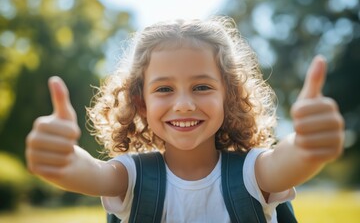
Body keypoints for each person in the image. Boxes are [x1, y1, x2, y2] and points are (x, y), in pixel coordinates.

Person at [25, 17, 344, 223]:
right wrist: (63, 161)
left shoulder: (251, 174)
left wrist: (306, 144)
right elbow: (92, 174)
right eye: (164, 89)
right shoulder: (133, 177)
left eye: (202, 87)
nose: (184, 104)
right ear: (141, 102)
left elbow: (286, 162)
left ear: (228, 96)